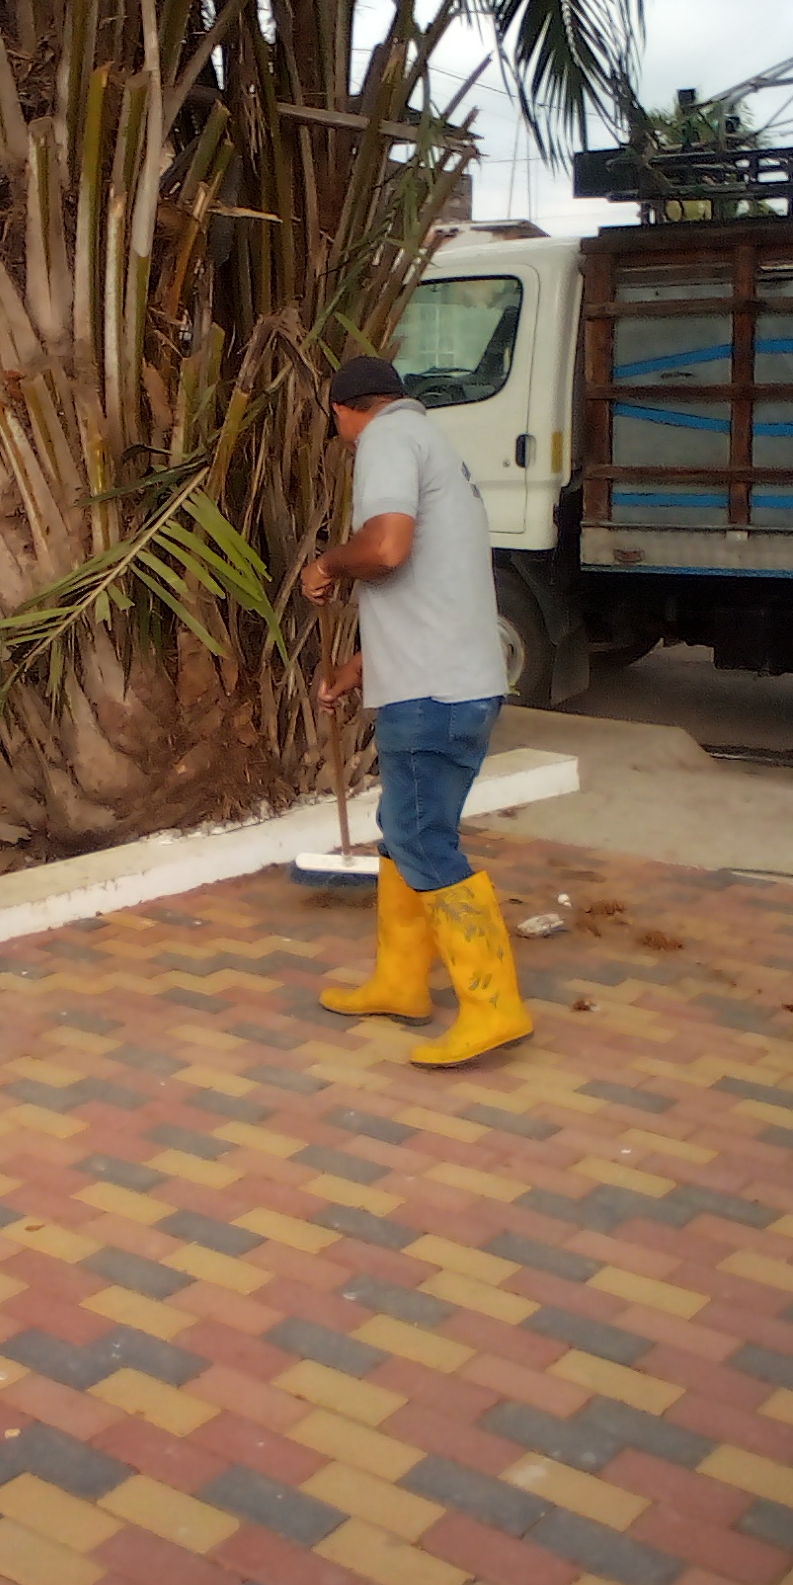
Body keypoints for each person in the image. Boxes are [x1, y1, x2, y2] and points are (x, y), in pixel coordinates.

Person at [302, 354, 532, 1069]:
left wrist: (327, 565)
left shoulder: (386, 439)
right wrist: (357, 669)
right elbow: (436, 594)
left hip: (433, 694)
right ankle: (401, 984)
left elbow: (387, 548)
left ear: (344, 411)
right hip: (454, 682)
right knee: (404, 831)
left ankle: (494, 1007)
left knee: (421, 836)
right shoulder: (434, 444)